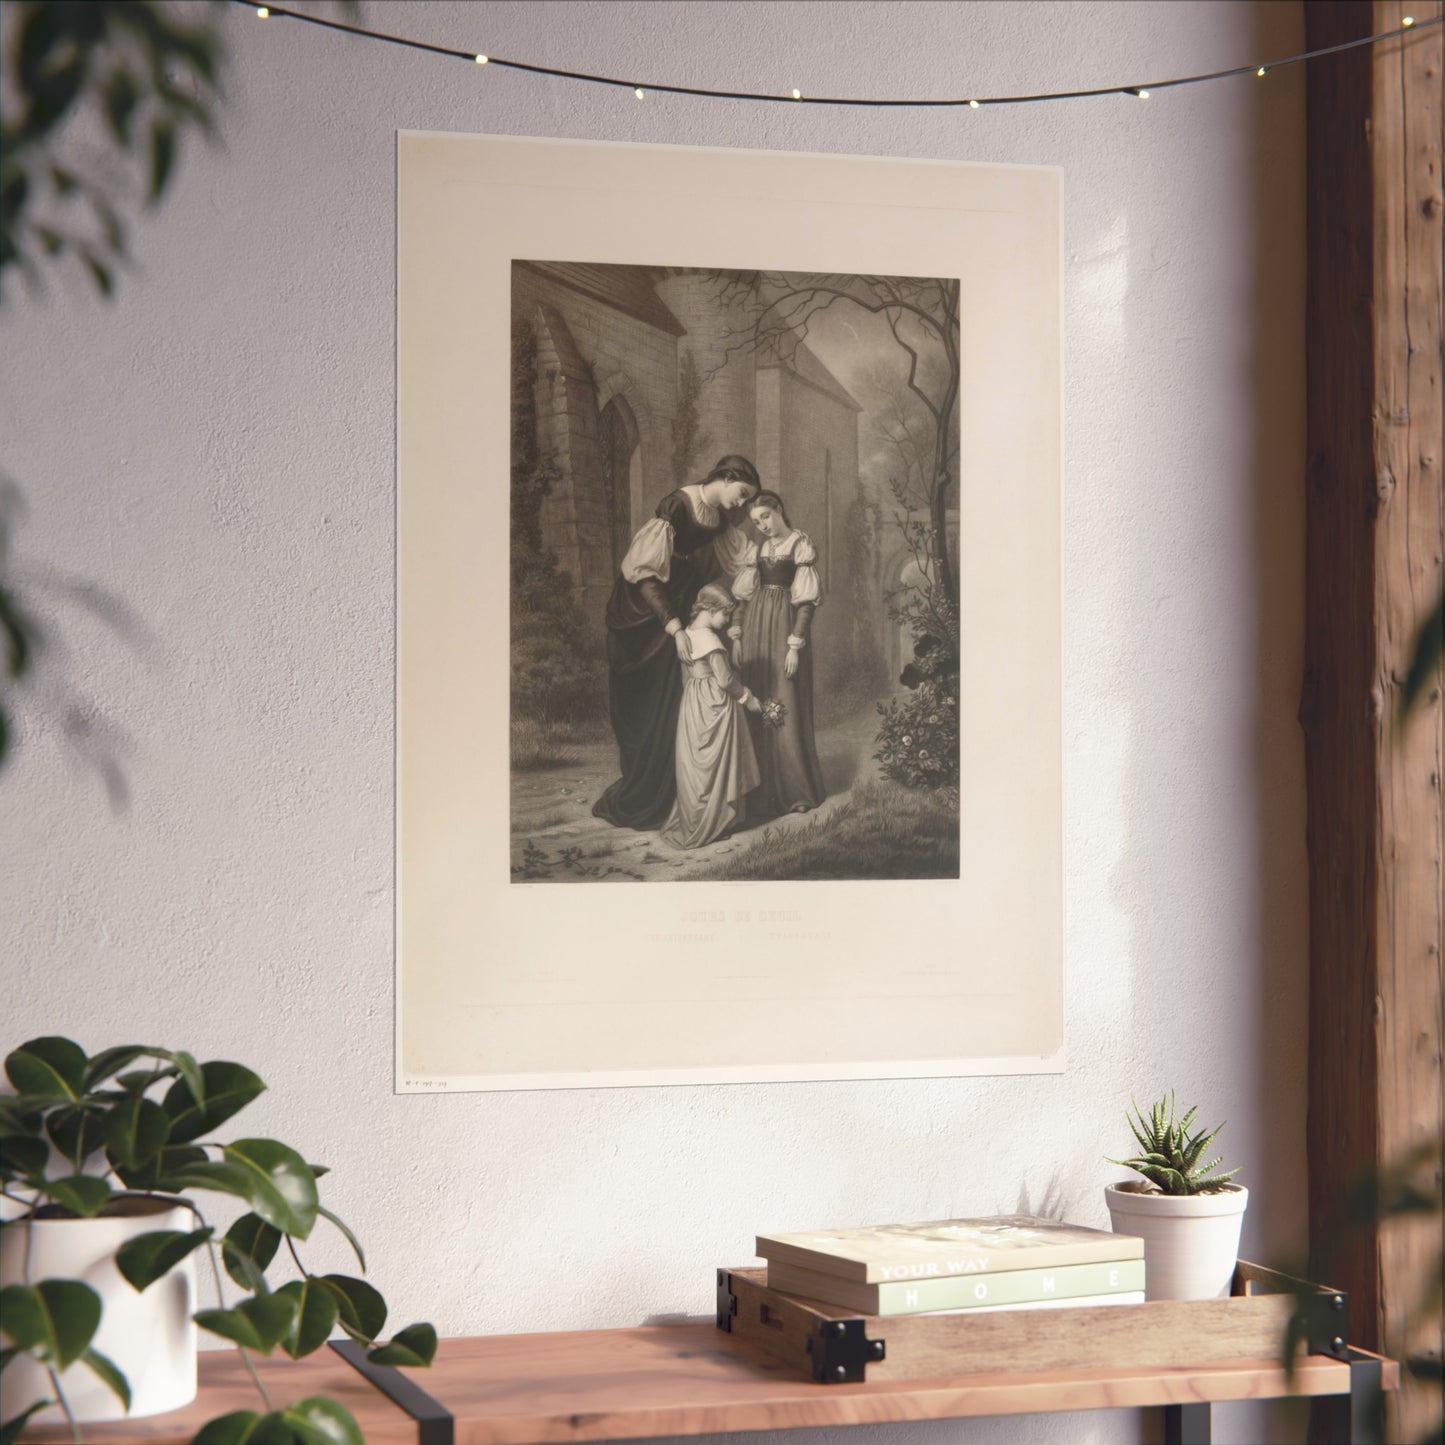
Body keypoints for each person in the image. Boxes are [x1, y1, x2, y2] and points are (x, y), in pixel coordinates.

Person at [592, 456, 760, 829]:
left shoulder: (719, 521)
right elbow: (646, 576)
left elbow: (737, 561)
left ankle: (668, 795)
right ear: (727, 477)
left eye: (749, 500)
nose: (742, 504)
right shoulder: (677, 505)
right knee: (642, 705)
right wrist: (674, 627)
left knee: (669, 704)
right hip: (644, 614)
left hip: (678, 610)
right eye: (743, 493)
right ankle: (640, 793)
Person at [731, 490, 827, 817]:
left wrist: (794, 645)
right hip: (757, 628)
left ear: (779, 510)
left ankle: (795, 790)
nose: (763, 525)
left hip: (784, 629)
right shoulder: (758, 550)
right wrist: (737, 636)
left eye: (766, 517)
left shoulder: (800, 545)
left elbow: (805, 604)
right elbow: (743, 598)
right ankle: (762, 792)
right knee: (759, 697)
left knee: (785, 699)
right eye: (756, 522)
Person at [660, 583, 763, 850]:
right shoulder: (711, 641)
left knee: (696, 764)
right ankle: (716, 821)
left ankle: (696, 820)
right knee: (715, 765)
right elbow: (726, 680)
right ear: (710, 609)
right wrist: (748, 698)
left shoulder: (687, 633)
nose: (727, 620)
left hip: (692, 704)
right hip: (714, 703)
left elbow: (688, 675)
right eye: (725, 614)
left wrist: (693, 698)